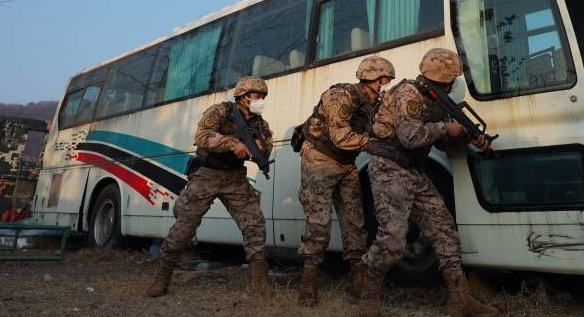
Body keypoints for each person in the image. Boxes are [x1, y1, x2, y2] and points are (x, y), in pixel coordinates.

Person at [358, 48, 497, 317]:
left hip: (413, 171)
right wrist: (447, 128)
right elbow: (410, 136)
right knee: (393, 240)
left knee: (445, 231)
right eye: (453, 77)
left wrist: (465, 138)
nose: (456, 82)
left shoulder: (438, 101)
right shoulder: (409, 92)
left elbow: (446, 148)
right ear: (444, 78)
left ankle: (460, 299)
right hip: (390, 168)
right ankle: (368, 299)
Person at [146, 76, 274, 298]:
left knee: (254, 224)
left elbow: (266, 147)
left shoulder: (260, 124)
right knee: (185, 226)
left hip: (234, 177)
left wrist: (261, 150)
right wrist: (233, 143)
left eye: (263, 97)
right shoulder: (221, 111)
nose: (261, 100)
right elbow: (202, 136)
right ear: (243, 98)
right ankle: (162, 278)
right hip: (206, 174)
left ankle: (259, 283)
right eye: (257, 96)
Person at [296, 56, 396, 306]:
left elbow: (381, 131)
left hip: (345, 163)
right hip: (320, 159)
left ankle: (359, 286)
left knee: (355, 223)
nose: (384, 85)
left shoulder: (374, 103)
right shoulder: (340, 96)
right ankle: (308, 288)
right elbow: (340, 136)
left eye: (387, 80)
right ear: (369, 78)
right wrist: (374, 144)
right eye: (382, 80)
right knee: (318, 225)